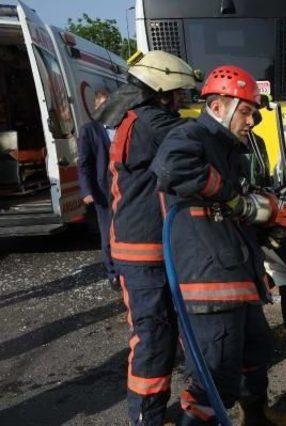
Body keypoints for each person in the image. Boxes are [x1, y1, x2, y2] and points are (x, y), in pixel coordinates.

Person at [152, 65, 286, 425]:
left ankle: (257, 418)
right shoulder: (190, 135)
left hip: (236, 275)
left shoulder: (227, 147)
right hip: (208, 283)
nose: (251, 121)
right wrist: (235, 199)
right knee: (214, 376)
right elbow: (171, 169)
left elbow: (232, 203)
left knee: (255, 352)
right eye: (248, 111)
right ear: (219, 106)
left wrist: (259, 212)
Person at [106, 51, 198, 425]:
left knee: (173, 333)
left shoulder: (138, 118)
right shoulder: (152, 122)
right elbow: (197, 136)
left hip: (150, 247)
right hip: (143, 252)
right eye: (178, 93)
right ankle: (147, 418)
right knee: (154, 339)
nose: (181, 100)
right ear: (161, 89)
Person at [77, 89, 118, 290]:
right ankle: (113, 274)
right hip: (104, 191)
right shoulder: (89, 130)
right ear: (95, 107)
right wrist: (86, 191)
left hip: (126, 188)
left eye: (108, 104)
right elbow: (84, 164)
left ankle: (126, 268)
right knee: (108, 233)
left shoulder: (121, 126)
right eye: (101, 105)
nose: (105, 108)